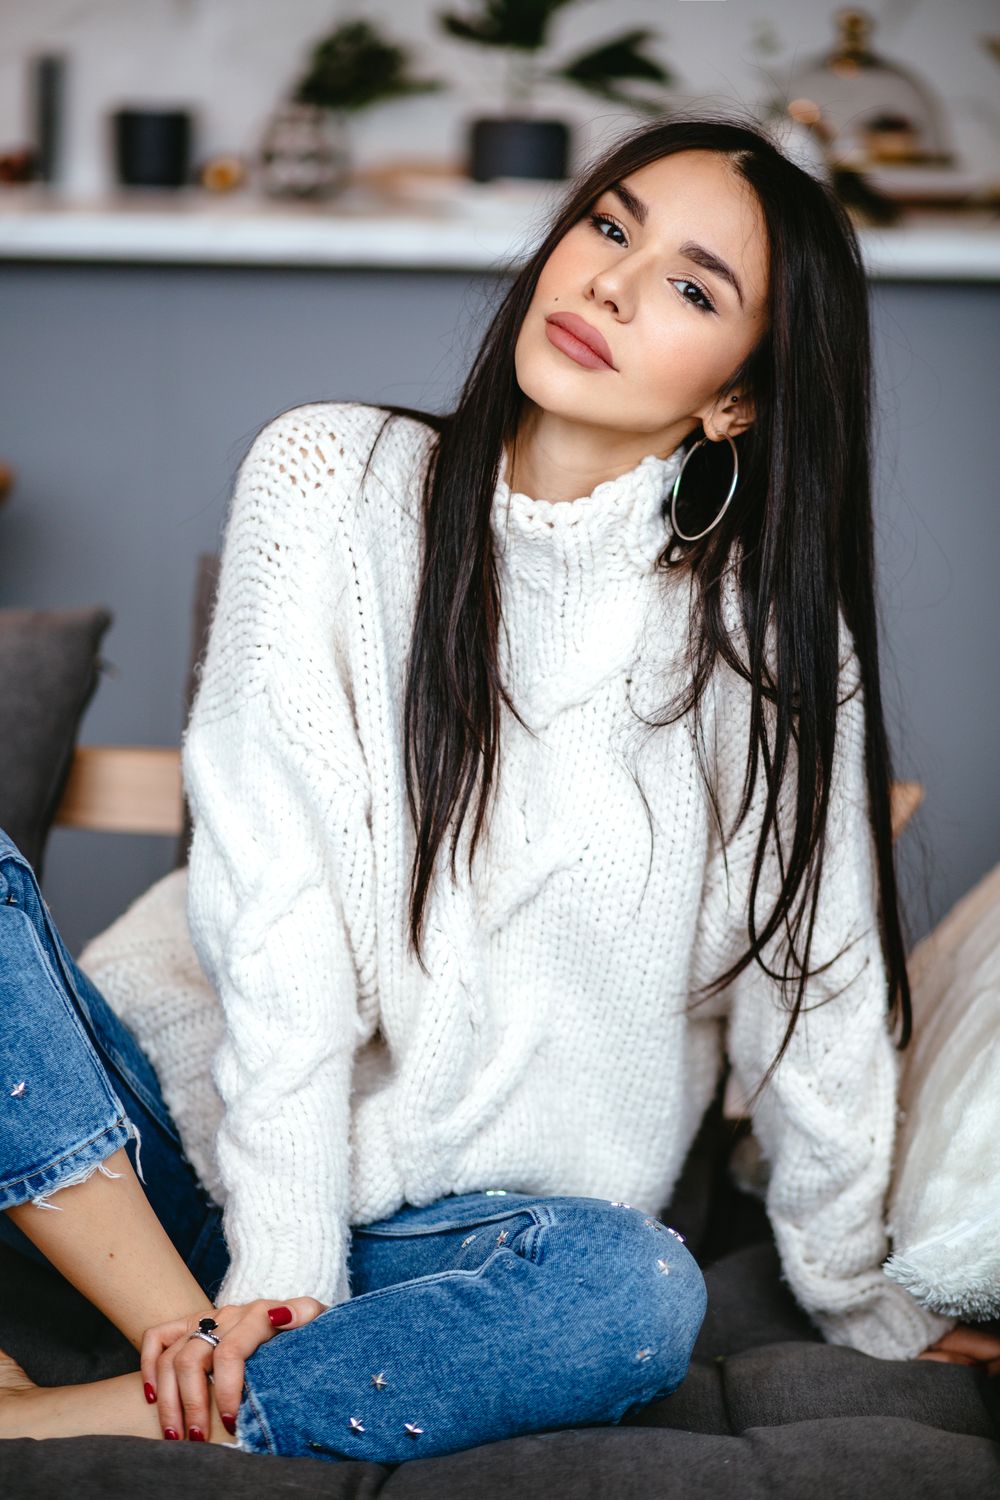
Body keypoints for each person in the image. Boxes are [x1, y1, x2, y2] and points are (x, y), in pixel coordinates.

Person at [2, 113, 997, 1464]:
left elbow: (808, 991)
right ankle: (197, 1359)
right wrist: (271, 1278)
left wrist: (859, 1299)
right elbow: (276, 896)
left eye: (693, 287)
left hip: (467, 1254)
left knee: (638, 1294)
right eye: (609, 226)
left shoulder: (768, 652)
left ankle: (78, 1415)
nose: (610, 283)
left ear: (739, 398)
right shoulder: (327, 480)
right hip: (163, 1178)